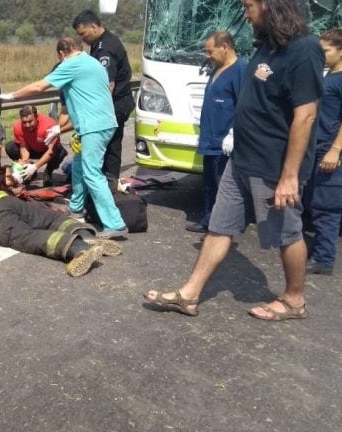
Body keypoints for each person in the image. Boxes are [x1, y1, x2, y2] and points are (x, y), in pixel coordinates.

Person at [144, 0, 325, 321]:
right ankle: (189, 294)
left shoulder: (305, 49)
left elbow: (306, 115)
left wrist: (289, 176)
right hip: (241, 158)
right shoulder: (267, 46)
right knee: (219, 226)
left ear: (270, 4)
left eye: (249, 5)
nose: (245, 12)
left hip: (272, 165)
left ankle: (295, 300)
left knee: (287, 233)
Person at [0, 37, 128, 239]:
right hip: (100, 123)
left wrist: (12, 96)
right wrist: (60, 129)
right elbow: (86, 101)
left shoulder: (72, 64)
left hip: (94, 127)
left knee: (92, 173)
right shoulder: (92, 62)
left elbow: (40, 87)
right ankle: (76, 208)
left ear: (61, 54)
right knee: (80, 166)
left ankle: (115, 224)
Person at [186, 31, 247, 233]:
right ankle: (209, 219)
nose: (207, 55)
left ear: (224, 47)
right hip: (210, 138)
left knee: (225, 186)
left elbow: (244, 106)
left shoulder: (240, 70)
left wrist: (234, 133)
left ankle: (225, 226)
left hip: (224, 142)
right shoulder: (216, 70)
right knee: (210, 183)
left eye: (209, 51)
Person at [72, 10, 134, 188]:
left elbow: (108, 85)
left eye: (83, 34)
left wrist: (93, 109)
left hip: (115, 103)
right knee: (110, 145)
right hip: (117, 102)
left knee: (109, 146)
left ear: (93, 26)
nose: (82, 38)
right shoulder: (101, 42)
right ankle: (107, 181)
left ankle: (109, 183)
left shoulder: (105, 47)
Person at [305, 28, 342, 275]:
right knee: (313, 201)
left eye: (326, 50)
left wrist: (335, 150)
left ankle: (324, 260)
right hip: (317, 146)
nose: (321, 54)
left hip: (329, 148)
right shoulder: (329, 75)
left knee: (326, 206)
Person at [4, 105, 67, 187]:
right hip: (32, 149)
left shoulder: (48, 125)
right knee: (10, 147)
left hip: (47, 150)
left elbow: (50, 151)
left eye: (30, 121)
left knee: (59, 151)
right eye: (24, 122)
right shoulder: (18, 127)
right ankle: (28, 173)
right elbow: (23, 146)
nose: (27, 125)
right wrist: (24, 161)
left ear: (37, 117)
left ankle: (48, 172)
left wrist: (35, 167)